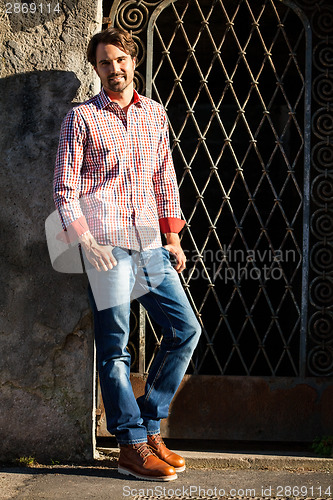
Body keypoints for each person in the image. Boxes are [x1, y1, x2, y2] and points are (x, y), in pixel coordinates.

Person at [53, 26, 201, 481]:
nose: (113, 70)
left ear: (133, 61)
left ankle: (148, 424)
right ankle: (130, 444)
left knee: (185, 329)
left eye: (120, 60)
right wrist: (87, 242)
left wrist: (172, 237)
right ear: (95, 69)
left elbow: (165, 180)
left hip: (150, 246)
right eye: (104, 63)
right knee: (115, 347)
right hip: (107, 248)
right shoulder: (81, 120)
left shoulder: (155, 115)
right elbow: (65, 189)